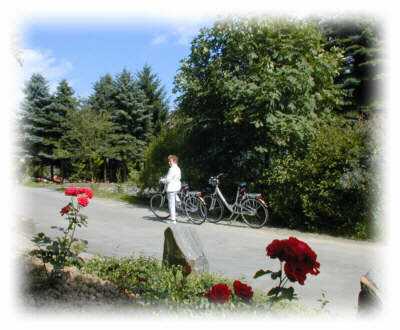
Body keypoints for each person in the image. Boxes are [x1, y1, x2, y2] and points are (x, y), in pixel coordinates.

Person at [160, 155, 181, 224]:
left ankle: (173, 220)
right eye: (169, 161)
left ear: (174, 161)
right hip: (177, 187)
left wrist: (162, 180)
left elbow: (168, 179)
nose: (169, 162)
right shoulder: (178, 168)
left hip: (172, 188)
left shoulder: (172, 169)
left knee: (171, 204)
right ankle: (175, 213)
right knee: (174, 199)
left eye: (170, 161)